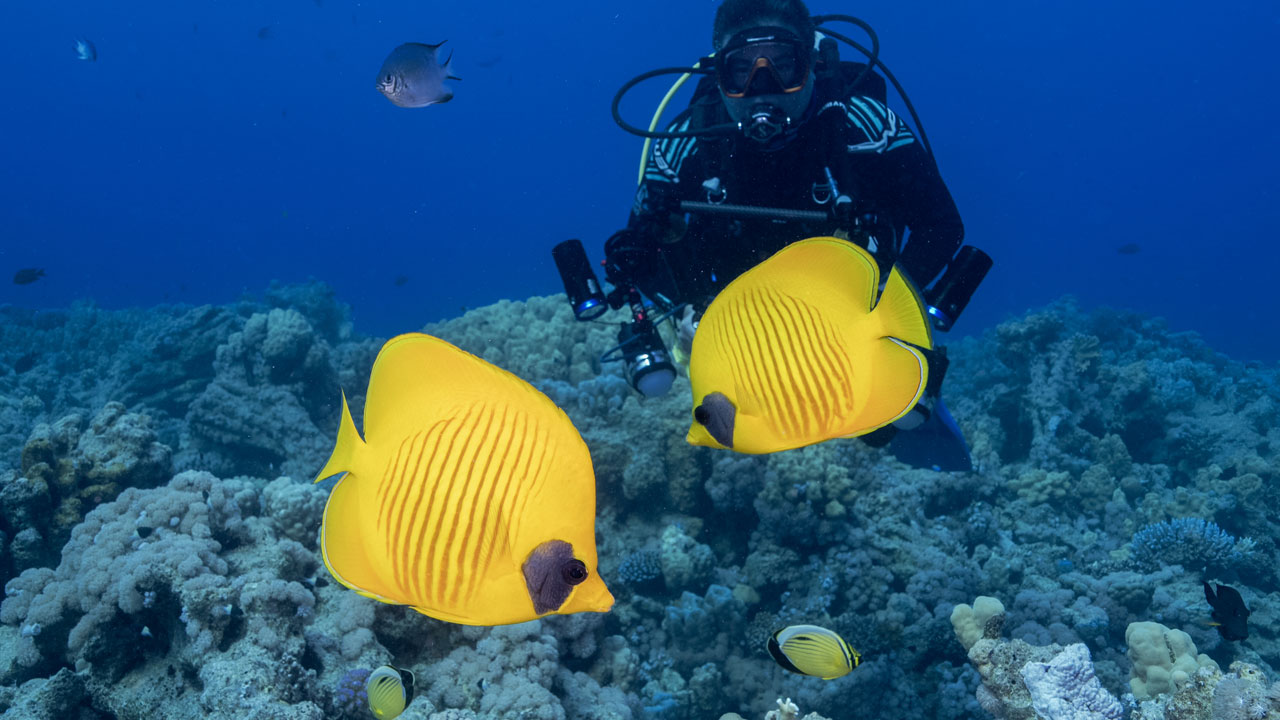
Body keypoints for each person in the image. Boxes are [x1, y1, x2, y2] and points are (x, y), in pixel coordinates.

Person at [602, 0, 979, 470]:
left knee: (885, 426)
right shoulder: (683, 144)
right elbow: (643, 251)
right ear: (718, 73)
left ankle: (899, 392)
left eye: (784, 67)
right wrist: (693, 312)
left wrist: (890, 296)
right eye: (741, 70)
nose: (764, 89)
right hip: (742, 327)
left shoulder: (867, 126)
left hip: (845, 312)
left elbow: (941, 225)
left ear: (814, 64)